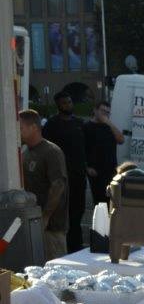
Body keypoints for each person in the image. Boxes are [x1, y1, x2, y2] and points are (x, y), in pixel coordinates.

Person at [19, 110, 68, 260]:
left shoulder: (51, 151)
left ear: (34, 127)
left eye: (20, 127)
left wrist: (46, 216)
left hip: (51, 228)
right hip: (31, 224)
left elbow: (58, 185)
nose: (17, 131)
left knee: (53, 271)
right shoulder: (25, 151)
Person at [42, 91, 86, 251]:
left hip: (78, 175)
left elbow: (87, 147)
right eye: (64, 103)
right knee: (60, 210)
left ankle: (76, 244)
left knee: (77, 210)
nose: (68, 105)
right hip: (59, 175)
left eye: (69, 102)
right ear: (58, 105)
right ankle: (61, 244)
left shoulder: (80, 123)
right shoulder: (51, 125)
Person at [82, 100, 125, 205]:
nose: (105, 114)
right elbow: (81, 149)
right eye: (103, 111)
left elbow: (121, 140)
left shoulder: (109, 127)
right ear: (95, 110)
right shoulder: (86, 127)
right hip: (95, 171)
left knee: (112, 201)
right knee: (100, 202)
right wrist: (87, 167)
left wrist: (108, 122)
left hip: (111, 170)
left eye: (107, 112)